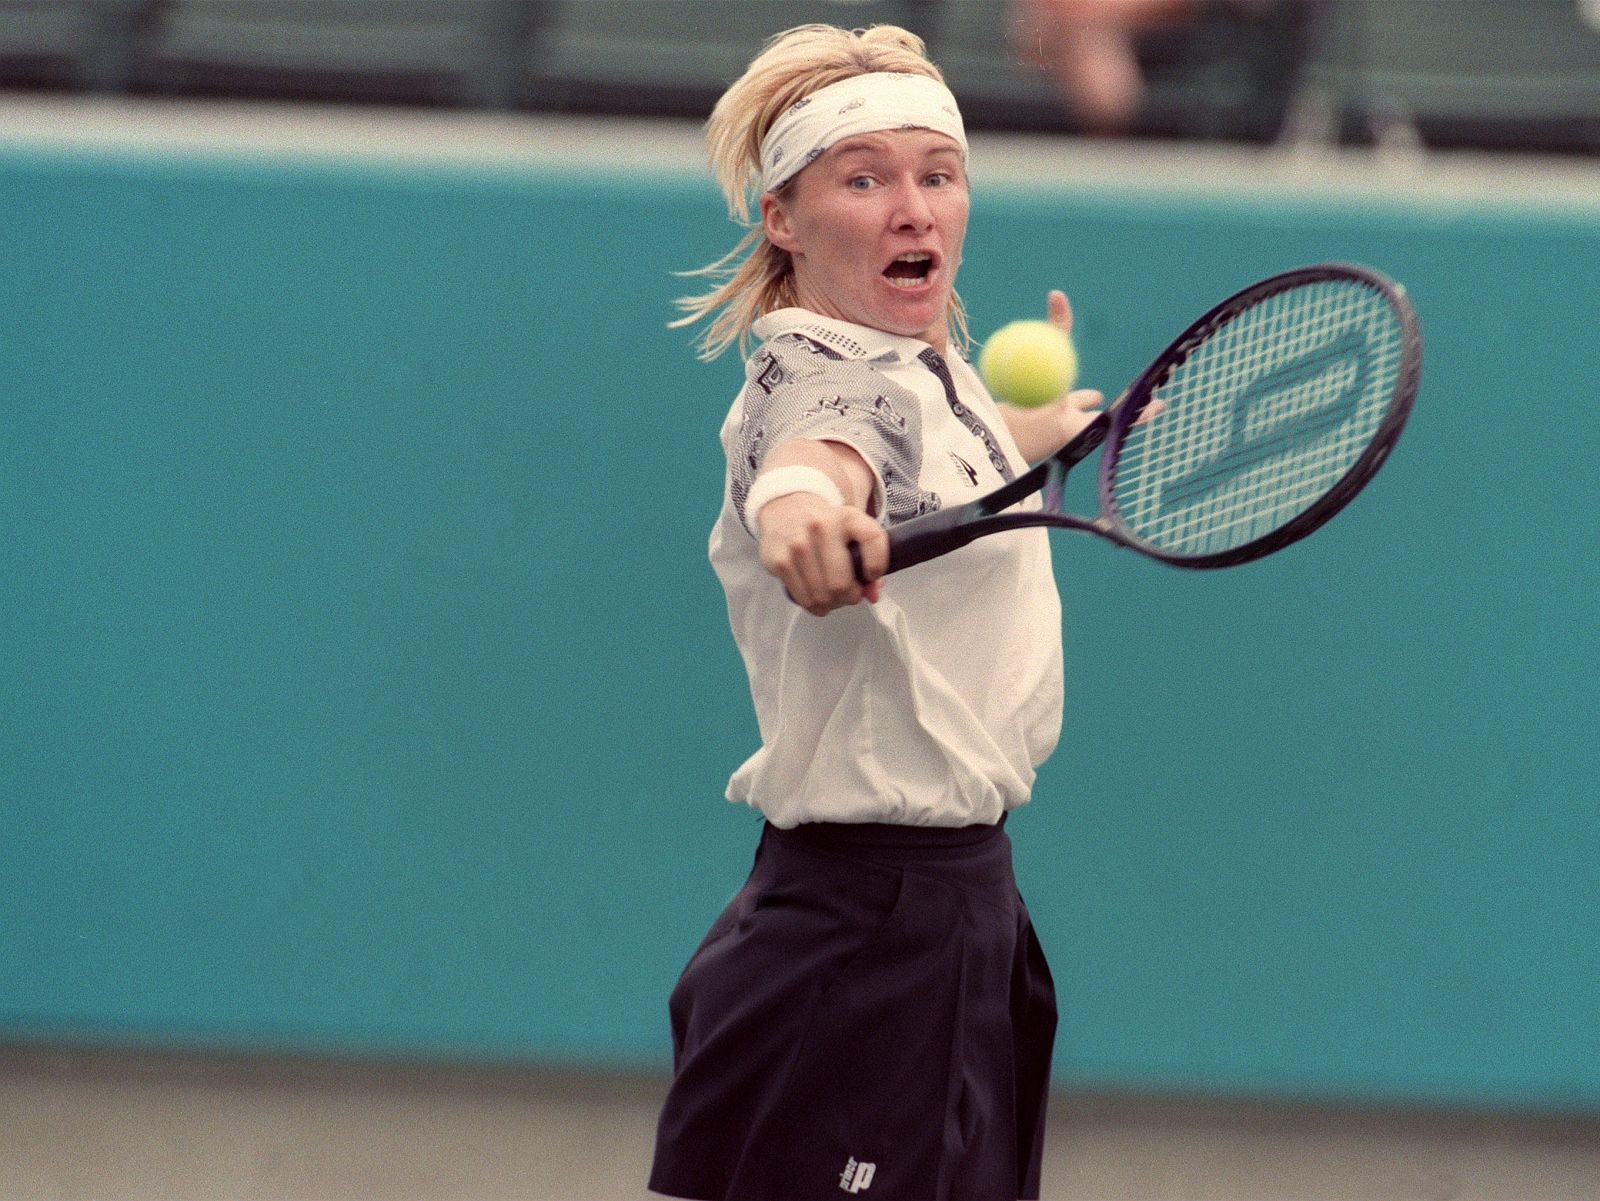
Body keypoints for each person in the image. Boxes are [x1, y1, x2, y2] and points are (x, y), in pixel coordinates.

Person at [648, 23, 1111, 1201]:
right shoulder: (821, 374)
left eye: (936, 174)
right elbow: (813, 462)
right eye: (865, 178)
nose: (913, 208)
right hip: (861, 931)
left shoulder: (928, 372)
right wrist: (803, 520)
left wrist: (1036, 437)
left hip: (964, 911)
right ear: (783, 218)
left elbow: (931, 457)